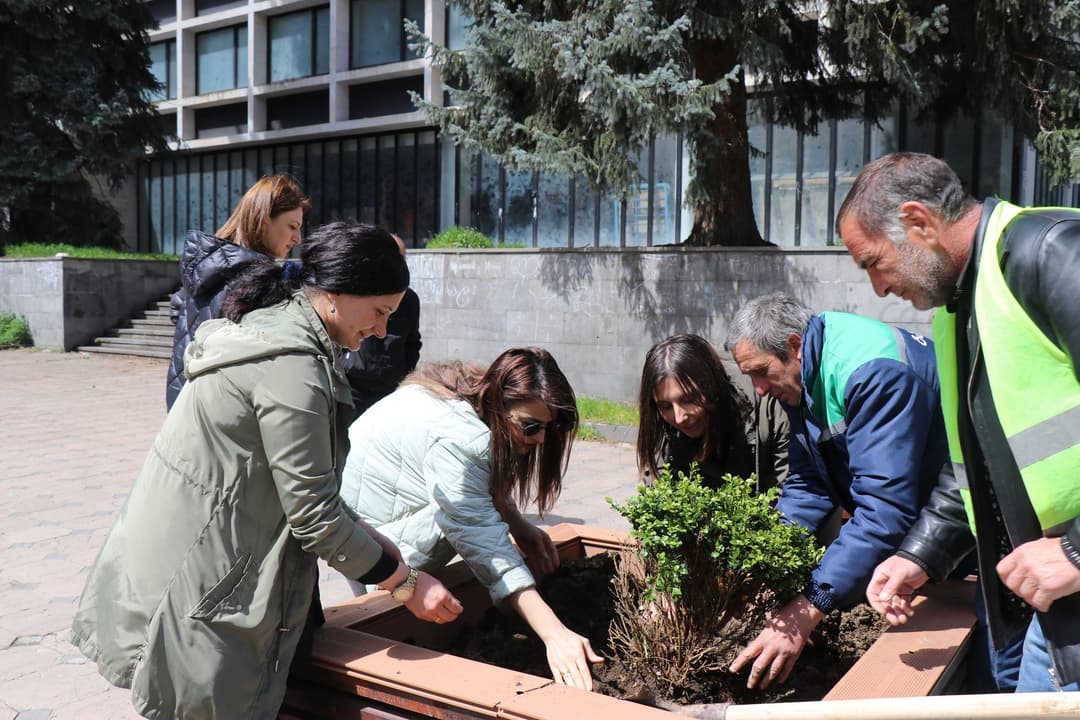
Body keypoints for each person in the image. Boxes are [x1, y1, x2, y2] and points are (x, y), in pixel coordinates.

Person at [71, 222, 464, 719]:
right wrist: (407, 584)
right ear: (337, 295)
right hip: (207, 575)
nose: (383, 331)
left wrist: (368, 537)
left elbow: (300, 481)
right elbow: (314, 516)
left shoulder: (282, 330)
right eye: (380, 311)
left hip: (198, 555)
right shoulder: (293, 367)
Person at [837, 151, 1080, 692]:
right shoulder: (963, 302)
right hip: (1040, 603)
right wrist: (919, 554)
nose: (878, 288)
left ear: (919, 223)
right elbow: (979, 468)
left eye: (873, 261)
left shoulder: (1053, 252)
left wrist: (1075, 551)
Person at [339, 347, 605, 691]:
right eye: (531, 426)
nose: (540, 438)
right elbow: (480, 537)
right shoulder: (461, 437)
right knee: (382, 613)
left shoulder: (471, 392)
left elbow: (475, 487)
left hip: (374, 498)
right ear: (499, 402)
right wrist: (555, 634)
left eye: (548, 428)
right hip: (364, 523)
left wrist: (518, 524)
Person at [725, 292, 948, 689]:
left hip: (973, 535)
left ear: (794, 345)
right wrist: (760, 564)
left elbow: (883, 513)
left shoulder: (870, 374)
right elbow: (809, 483)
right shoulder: (808, 370)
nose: (758, 389)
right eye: (749, 376)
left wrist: (809, 607)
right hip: (931, 530)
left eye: (761, 371)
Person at [166, 173, 310, 410]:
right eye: (292, 226)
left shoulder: (214, 272)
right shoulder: (247, 282)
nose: (298, 238)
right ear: (264, 220)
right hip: (214, 415)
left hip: (189, 407)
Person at [636, 333, 789, 492]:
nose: (679, 418)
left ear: (711, 385)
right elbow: (658, 487)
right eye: (665, 406)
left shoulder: (767, 402)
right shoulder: (663, 427)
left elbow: (792, 491)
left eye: (688, 400)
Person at [341, 233, 422, 421]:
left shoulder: (409, 300)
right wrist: (347, 362)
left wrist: (403, 373)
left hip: (390, 387)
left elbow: (413, 342)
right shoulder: (358, 292)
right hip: (354, 385)